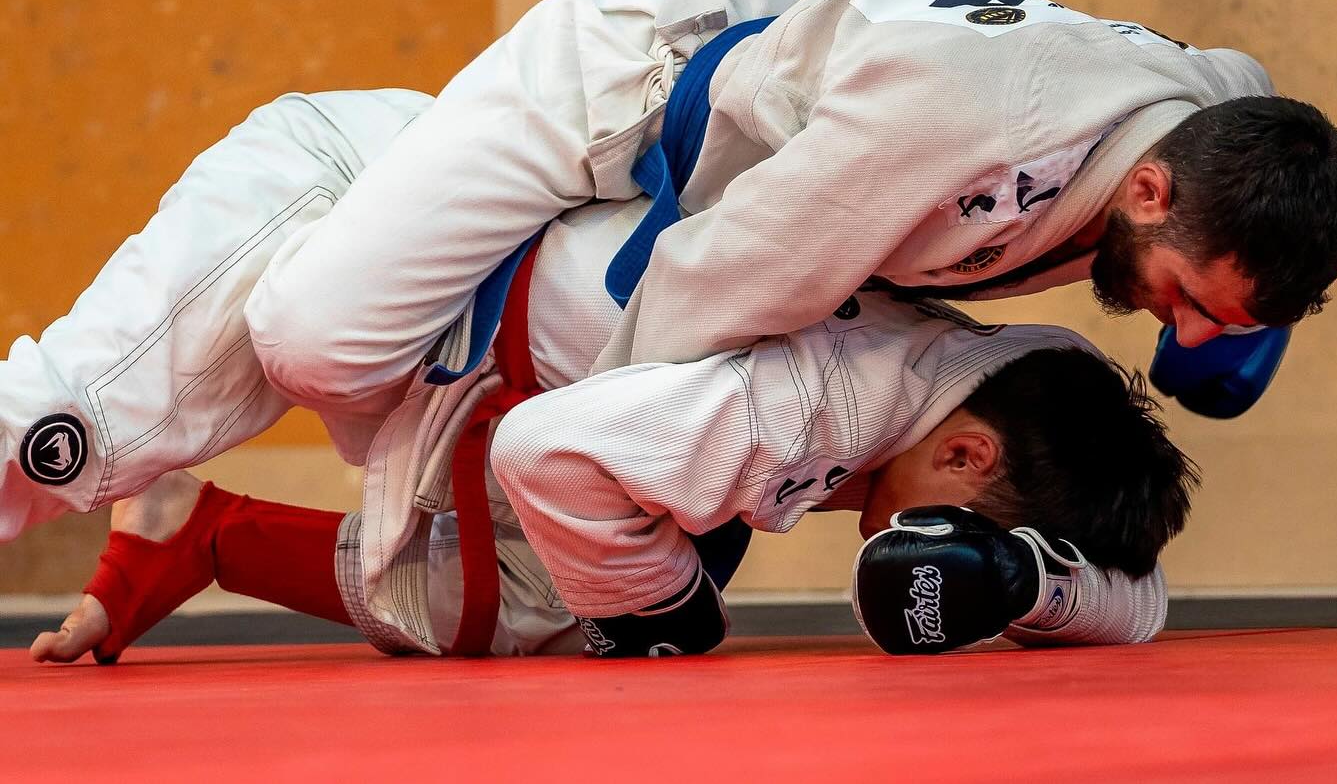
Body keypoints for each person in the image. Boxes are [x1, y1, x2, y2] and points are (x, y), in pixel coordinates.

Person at [230, 0, 1337, 438]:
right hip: (623, 81)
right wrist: (579, 461)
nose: (1184, 328)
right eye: (1183, 297)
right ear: (1151, 183)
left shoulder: (1221, 112)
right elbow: (695, 288)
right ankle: (357, 150)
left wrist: (1241, 310)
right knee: (316, 343)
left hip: (783, 142)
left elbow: (1256, 93)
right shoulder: (953, 135)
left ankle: (430, 203)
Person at [33, 309, 1196, 663]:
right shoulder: (796, 414)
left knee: (606, 582)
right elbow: (544, 450)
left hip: (607, 366)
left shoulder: (1056, 392)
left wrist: (1031, 579)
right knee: (528, 609)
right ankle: (204, 533)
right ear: (968, 459)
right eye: (956, 528)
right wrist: (661, 609)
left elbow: (1139, 604)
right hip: (503, 348)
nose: (935, 553)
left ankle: (204, 528)